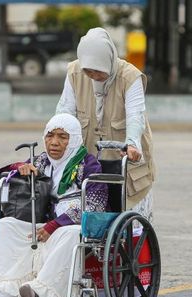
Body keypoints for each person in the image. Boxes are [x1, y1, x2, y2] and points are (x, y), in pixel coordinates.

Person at [0, 113, 108, 297]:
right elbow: (2, 176)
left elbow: (95, 204)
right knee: (8, 225)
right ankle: (7, 288)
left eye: (62, 137)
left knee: (71, 233)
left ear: (74, 138)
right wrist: (18, 168)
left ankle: (38, 290)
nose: (54, 143)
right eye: (49, 136)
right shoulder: (41, 160)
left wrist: (56, 224)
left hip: (68, 224)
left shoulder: (89, 164)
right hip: (42, 222)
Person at [56, 27, 155, 222]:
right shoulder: (75, 72)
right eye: (88, 70)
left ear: (108, 60)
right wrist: (59, 137)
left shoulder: (129, 76)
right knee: (89, 213)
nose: (92, 75)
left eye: (97, 70)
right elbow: (65, 111)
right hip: (90, 158)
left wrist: (132, 144)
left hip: (126, 159)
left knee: (131, 218)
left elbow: (135, 115)